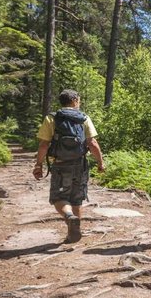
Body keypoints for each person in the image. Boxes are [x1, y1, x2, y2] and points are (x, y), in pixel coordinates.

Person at [33, 89, 105, 243]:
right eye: (78, 100)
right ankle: (74, 232)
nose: (79, 103)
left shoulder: (51, 118)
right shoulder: (84, 118)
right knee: (77, 198)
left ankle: (69, 216)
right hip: (80, 164)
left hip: (60, 164)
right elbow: (92, 143)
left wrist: (38, 165)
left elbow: (44, 144)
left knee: (59, 197)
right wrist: (100, 163)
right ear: (74, 101)